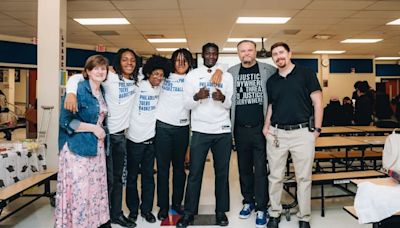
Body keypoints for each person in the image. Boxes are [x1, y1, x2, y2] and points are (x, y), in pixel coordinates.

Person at [64, 48, 139, 228]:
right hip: (102, 138)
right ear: (117, 63)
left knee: (117, 178)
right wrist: (71, 93)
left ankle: (115, 214)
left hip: (119, 137)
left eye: (132, 60)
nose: (129, 63)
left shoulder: (138, 81)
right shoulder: (108, 78)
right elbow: (76, 77)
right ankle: (100, 216)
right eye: (124, 60)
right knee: (105, 180)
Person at [262, 42, 323, 228]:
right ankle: (274, 213)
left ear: (290, 53)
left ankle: (304, 217)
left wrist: (317, 131)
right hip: (277, 133)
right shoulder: (272, 81)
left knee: (303, 178)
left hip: (302, 133)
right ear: (272, 58)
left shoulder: (306, 74)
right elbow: (272, 105)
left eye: (281, 52)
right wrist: (266, 127)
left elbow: (318, 103)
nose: (279, 56)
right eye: (275, 54)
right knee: (275, 176)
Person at [176, 43, 233, 228]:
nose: (211, 56)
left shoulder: (227, 76)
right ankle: (189, 213)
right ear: (203, 55)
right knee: (194, 173)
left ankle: (221, 212)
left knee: (222, 174)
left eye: (214, 53)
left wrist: (223, 98)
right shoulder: (192, 76)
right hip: (200, 131)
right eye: (208, 53)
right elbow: (186, 103)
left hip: (222, 130)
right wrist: (196, 96)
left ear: (218, 56)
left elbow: (230, 103)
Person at [56, 55, 110, 228]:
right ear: (87, 71)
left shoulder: (102, 91)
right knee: (80, 191)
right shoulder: (78, 90)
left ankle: (91, 222)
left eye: (103, 68)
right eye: (96, 68)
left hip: (96, 148)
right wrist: (93, 128)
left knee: (93, 190)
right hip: (77, 149)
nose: (100, 72)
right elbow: (65, 121)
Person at [227, 40, 275, 227]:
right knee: (244, 169)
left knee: (261, 170)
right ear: (238, 53)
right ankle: (248, 202)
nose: (246, 54)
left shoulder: (268, 70)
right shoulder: (231, 72)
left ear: (255, 52)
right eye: (242, 51)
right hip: (239, 129)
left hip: (260, 129)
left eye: (250, 50)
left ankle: (262, 207)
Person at [125, 55, 171, 224]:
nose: (158, 77)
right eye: (155, 74)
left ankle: (146, 210)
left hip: (151, 141)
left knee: (148, 178)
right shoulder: (138, 85)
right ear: (148, 73)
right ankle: (132, 210)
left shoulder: (160, 88)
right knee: (131, 178)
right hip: (133, 140)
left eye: (161, 75)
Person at [154, 49, 193, 220]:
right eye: (177, 60)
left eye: (184, 60)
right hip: (162, 127)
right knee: (163, 170)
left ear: (190, 62)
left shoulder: (192, 79)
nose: (181, 63)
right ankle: (163, 206)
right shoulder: (164, 76)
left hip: (182, 129)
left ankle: (177, 203)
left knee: (179, 169)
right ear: (172, 62)